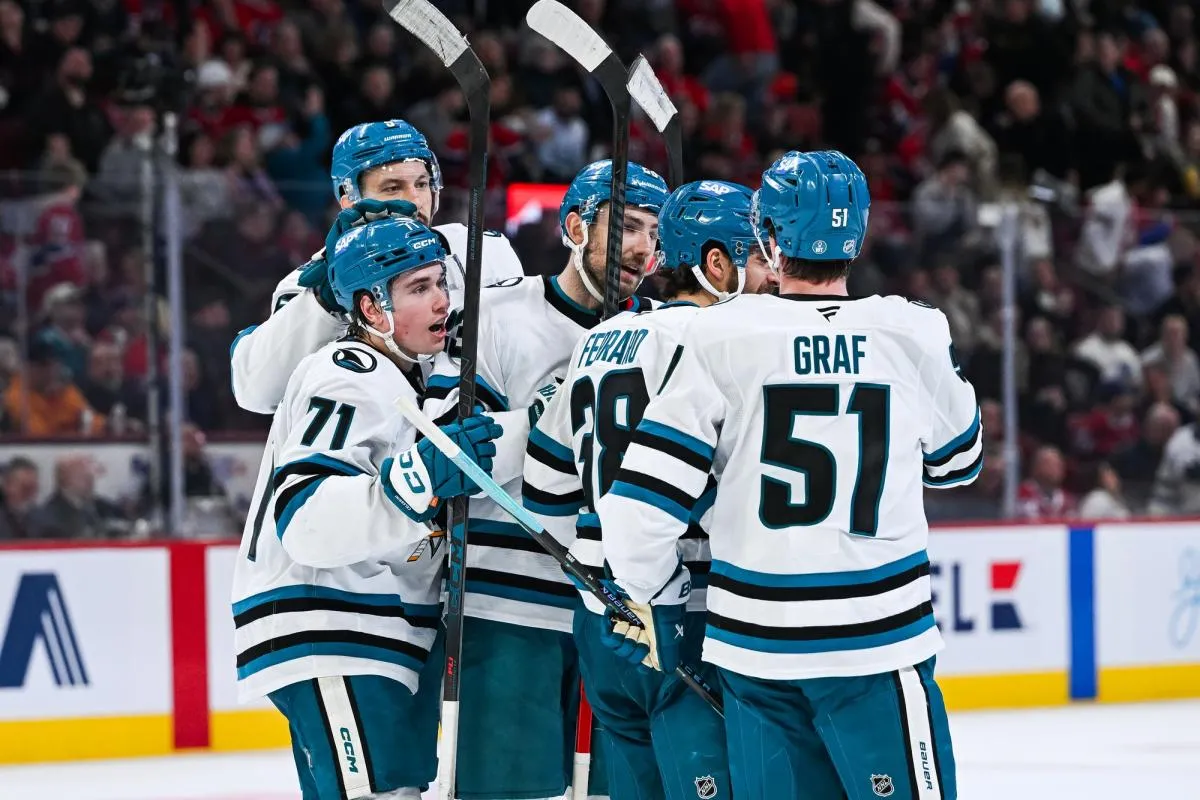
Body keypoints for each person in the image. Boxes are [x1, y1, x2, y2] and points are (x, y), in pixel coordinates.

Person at [596, 151, 982, 800]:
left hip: (755, 653)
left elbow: (637, 509)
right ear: (857, 235)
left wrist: (651, 598)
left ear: (770, 240)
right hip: (876, 646)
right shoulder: (910, 330)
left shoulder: (720, 337)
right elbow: (958, 462)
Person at [230, 215, 502, 800]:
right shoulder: (349, 373)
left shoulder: (405, 384)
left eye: (440, 284)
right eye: (418, 289)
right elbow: (305, 518)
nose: (441, 301)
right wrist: (419, 480)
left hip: (373, 628)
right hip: (333, 620)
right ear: (373, 309)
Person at [522, 180, 777, 799]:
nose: (770, 272)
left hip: (601, 621)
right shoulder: (722, 344)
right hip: (684, 613)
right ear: (715, 263)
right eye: (756, 256)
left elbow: (544, 487)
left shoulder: (597, 341)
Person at [432, 159, 669, 800]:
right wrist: (552, 414)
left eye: (655, 232)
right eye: (628, 227)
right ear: (573, 226)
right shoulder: (497, 316)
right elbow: (451, 460)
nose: (644, 248)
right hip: (509, 607)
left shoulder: (669, 335)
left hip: (625, 614)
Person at [230, 119, 524, 415]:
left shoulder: (483, 252)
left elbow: (524, 362)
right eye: (392, 187)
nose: (414, 200)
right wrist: (327, 302)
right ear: (349, 201)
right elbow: (254, 391)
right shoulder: (312, 285)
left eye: (421, 184)